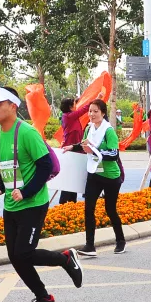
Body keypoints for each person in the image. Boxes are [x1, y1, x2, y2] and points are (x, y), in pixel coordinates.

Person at [0, 86, 83, 302]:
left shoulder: (27, 133)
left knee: (24, 253)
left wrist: (26, 191)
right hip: (11, 204)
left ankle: (66, 259)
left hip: (33, 202)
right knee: (15, 256)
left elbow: (46, 166)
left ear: (13, 106)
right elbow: (3, 166)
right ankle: (44, 299)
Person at [63, 99, 125, 256]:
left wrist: (95, 152)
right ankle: (90, 246)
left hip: (110, 176)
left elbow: (114, 154)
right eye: (90, 111)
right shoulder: (89, 128)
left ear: (103, 113)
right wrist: (73, 147)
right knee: (88, 209)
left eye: (95, 111)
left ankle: (120, 241)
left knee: (110, 210)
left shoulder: (108, 131)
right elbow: (85, 145)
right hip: (94, 174)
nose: (91, 114)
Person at [58, 97, 90, 203]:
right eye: (74, 104)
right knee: (69, 180)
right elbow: (83, 110)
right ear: (70, 107)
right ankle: (63, 203)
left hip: (75, 150)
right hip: (70, 151)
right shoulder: (69, 116)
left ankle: (72, 203)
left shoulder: (69, 116)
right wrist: (95, 100)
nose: (76, 106)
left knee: (73, 180)